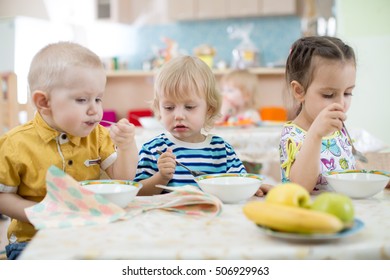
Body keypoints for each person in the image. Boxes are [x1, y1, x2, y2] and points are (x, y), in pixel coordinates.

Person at [0, 42, 138, 259]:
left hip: (89, 231)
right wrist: (39, 213)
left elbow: (123, 179)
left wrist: (127, 146)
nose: (95, 109)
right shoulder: (15, 144)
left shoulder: (98, 135)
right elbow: (2, 197)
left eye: (98, 98)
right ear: (44, 102)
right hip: (32, 240)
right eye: (82, 100)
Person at [135, 55, 270, 196]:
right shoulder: (153, 150)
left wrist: (255, 187)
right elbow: (138, 192)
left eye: (189, 106)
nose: (178, 115)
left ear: (209, 109)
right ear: (159, 109)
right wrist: (161, 177)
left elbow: (241, 183)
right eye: (169, 107)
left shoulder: (222, 150)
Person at [279, 36, 358, 193]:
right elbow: (299, 188)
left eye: (348, 93)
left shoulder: (339, 130)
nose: (341, 103)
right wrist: (315, 134)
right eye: (328, 94)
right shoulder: (291, 136)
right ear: (299, 91)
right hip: (310, 214)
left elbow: (352, 166)